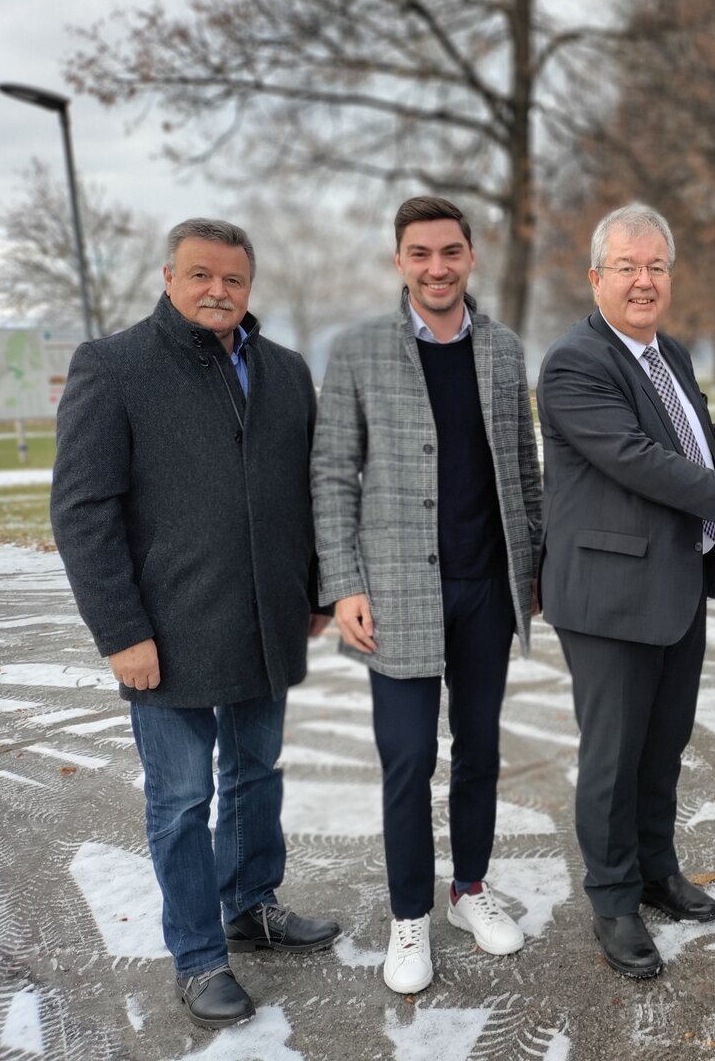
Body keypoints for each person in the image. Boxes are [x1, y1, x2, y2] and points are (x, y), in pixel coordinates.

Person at [50, 218, 339, 1029]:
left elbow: (310, 490)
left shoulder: (285, 371)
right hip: (165, 631)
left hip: (266, 620)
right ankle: (199, 955)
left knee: (256, 774)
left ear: (250, 286)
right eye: (201, 274)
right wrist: (120, 632)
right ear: (168, 276)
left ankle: (251, 905)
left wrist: (316, 591)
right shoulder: (114, 366)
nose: (218, 290)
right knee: (180, 800)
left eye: (233, 279)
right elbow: (81, 511)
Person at [536, 204, 715, 978]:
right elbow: (637, 460)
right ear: (596, 277)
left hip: (673, 582)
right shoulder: (575, 363)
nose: (643, 281)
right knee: (614, 754)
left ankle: (655, 871)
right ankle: (613, 899)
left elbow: (680, 449)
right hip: (609, 593)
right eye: (627, 267)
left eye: (656, 266)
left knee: (663, 745)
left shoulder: (671, 354)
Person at [311, 196, 542, 995]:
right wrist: (343, 584)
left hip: (487, 588)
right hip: (397, 591)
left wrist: (532, 569)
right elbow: (331, 475)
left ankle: (468, 889)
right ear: (399, 262)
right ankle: (408, 914)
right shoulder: (359, 351)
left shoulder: (504, 348)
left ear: (470, 257)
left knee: (479, 750)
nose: (436, 268)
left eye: (450, 252)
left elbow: (523, 467)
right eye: (420, 253)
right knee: (408, 759)